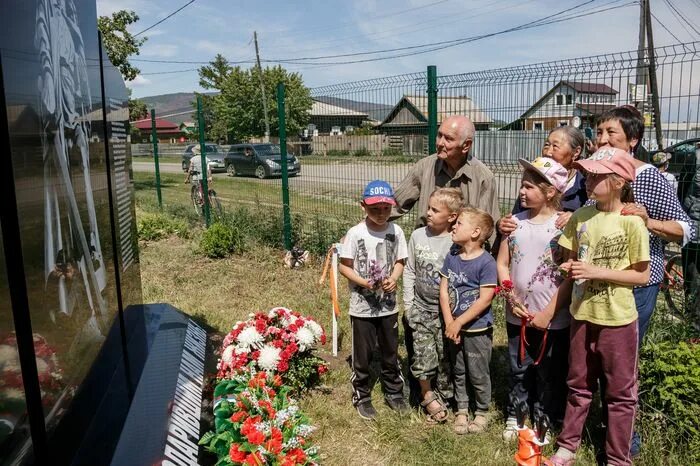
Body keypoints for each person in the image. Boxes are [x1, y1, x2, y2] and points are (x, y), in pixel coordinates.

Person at [549, 147, 650, 466]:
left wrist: (594, 271)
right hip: (582, 315)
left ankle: (618, 458)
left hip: (618, 321)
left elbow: (642, 274)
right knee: (577, 385)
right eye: (587, 174)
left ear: (619, 181)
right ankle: (567, 447)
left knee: (620, 393)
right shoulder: (581, 216)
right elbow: (566, 256)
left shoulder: (632, 222)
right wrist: (565, 264)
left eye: (597, 175)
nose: (588, 180)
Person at [392, 114, 500, 406]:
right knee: (419, 326)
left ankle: (454, 393)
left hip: (462, 275)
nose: (439, 142)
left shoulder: (483, 177)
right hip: (425, 266)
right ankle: (421, 388)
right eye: (439, 135)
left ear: (466, 145)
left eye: (447, 138)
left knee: (455, 337)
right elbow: (397, 203)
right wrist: (369, 222)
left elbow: (490, 228)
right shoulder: (425, 167)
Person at [496, 157, 570, 441]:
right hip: (518, 314)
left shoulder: (563, 227)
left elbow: (568, 274)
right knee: (519, 367)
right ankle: (517, 414)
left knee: (549, 371)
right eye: (521, 186)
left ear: (550, 191)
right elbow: (503, 263)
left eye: (529, 187)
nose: (522, 192)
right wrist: (508, 294)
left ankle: (544, 417)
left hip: (553, 319)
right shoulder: (514, 224)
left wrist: (549, 313)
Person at [338, 180, 409, 420]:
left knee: (390, 351)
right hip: (362, 308)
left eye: (386, 209)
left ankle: (394, 392)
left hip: (388, 305)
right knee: (363, 353)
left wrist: (394, 278)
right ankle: (362, 394)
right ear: (363, 207)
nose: (381, 214)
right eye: (374, 209)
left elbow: (400, 261)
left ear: (392, 208)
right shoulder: (356, 233)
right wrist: (363, 281)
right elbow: (344, 266)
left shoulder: (396, 231)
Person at [403, 188, 463, 424]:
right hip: (421, 308)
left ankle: (445, 395)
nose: (428, 213)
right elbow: (409, 270)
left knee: (444, 356)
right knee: (422, 354)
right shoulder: (418, 236)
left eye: (435, 210)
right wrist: (409, 305)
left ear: (452, 217)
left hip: (446, 314)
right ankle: (427, 394)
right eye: (429, 207)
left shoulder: (455, 241)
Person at [439, 207, 497, 434]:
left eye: (459, 223)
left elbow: (484, 300)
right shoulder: (452, 256)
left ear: (475, 232)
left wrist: (459, 322)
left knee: (478, 372)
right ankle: (461, 409)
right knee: (459, 370)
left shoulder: (486, 263)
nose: (453, 226)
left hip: (477, 330)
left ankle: (482, 411)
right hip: (454, 328)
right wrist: (449, 322)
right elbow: (443, 291)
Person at [498, 127, 588, 239]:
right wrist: (504, 225)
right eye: (546, 145)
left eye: (555, 146)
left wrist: (577, 218)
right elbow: (516, 217)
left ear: (576, 152)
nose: (548, 152)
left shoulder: (585, 188)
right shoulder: (534, 181)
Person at [680, 142, 700, 323]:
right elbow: (683, 186)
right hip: (693, 223)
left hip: (692, 217)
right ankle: (692, 317)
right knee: (691, 272)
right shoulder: (695, 156)